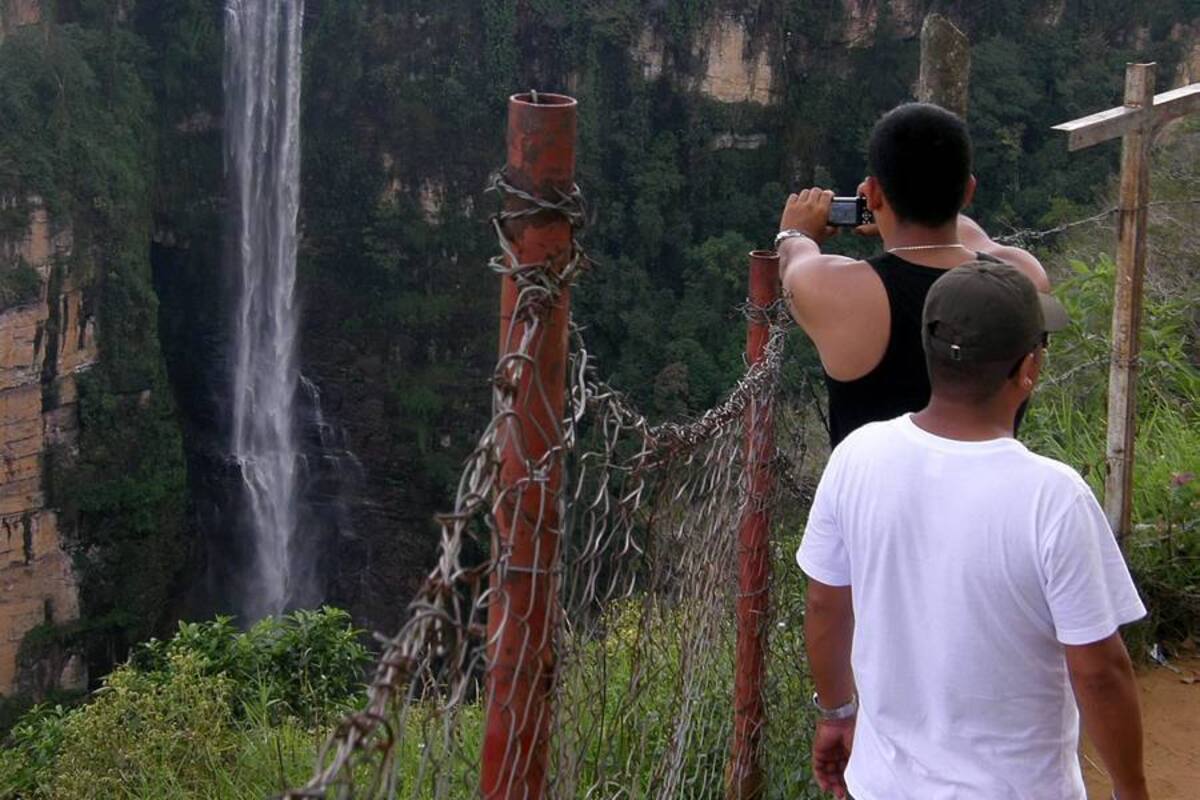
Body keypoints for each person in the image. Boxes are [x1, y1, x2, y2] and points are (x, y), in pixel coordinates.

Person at [796, 261, 1149, 800]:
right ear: (1027, 368)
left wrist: (838, 712)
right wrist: (1130, 788)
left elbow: (825, 605)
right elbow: (1099, 671)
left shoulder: (857, 456)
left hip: (881, 786)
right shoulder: (1053, 497)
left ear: (930, 350)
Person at [776, 102, 1051, 446]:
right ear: (968, 191)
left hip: (877, 499)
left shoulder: (836, 291)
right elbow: (973, 236)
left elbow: (794, 260)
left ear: (872, 193)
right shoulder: (1024, 279)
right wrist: (899, 214)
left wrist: (794, 232)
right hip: (989, 495)